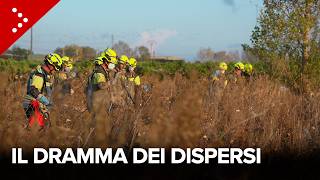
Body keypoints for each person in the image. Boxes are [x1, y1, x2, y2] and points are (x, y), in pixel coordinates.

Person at [86, 48, 118, 146]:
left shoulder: (103, 71)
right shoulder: (99, 72)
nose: (112, 64)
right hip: (97, 105)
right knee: (98, 127)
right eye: (111, 62)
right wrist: (113, 81)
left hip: (100, 103)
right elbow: (101, 85)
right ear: (106, 60)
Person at [22, 53, 63, 130]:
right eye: (55, 67)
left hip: (39, 106)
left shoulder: (45, 74)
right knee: (35, 130)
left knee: (43, 129)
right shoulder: (39, 74)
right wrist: (46, 102)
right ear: (50, 64)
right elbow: (33, 90)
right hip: (32, 105)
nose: (55, 70)